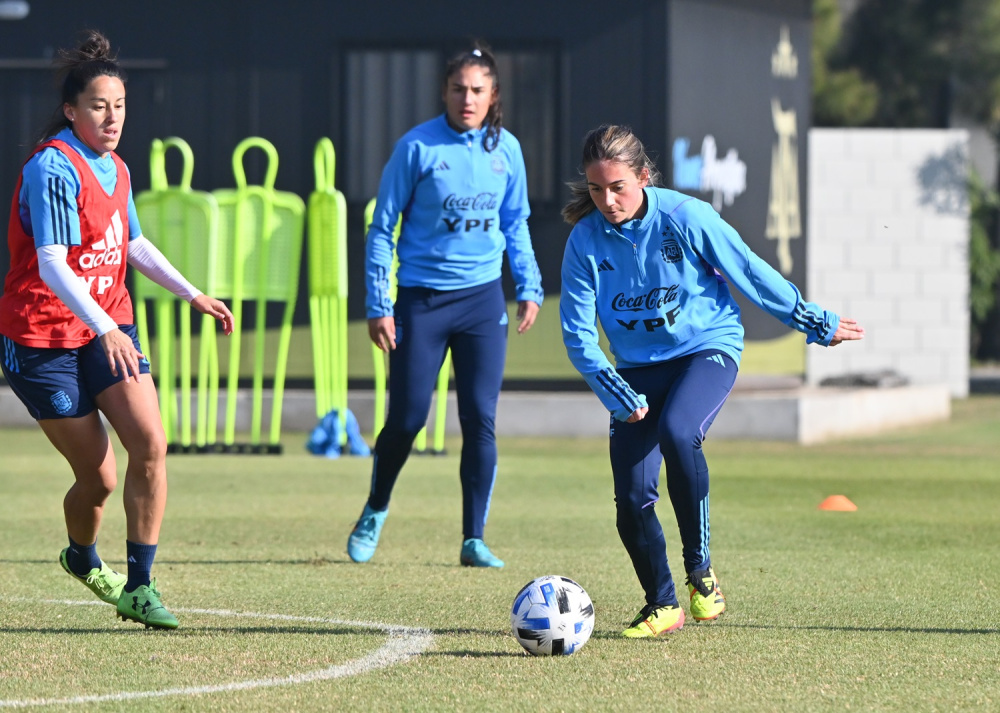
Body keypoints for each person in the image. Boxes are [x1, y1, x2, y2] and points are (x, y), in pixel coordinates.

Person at [559, 125, 864, 638]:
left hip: (706, 349)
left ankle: (701, 573)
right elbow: (577, 335)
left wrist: (813, 321)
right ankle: (662, 605)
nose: (606, 201)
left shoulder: (685, 217)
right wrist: (616, 391)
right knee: (631, 499)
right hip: (634, 372)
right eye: (595, 189)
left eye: (617, 188)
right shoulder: (584, 241)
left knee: (680, 432)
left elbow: (748, 270)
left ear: (644, 177)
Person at [0, 31, 234, 630]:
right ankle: (81, 556)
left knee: (151, 445)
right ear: (72, 111)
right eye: (99, 106)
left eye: (120, 106)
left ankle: (140, 585)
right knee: (99, 479)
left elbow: (131, 244)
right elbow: (52, 261)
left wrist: (192, 293)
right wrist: (105, 326)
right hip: (43, 336)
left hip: (108, 327)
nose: (111, 117)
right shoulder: (53, 167)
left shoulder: (118, 167)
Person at [350, 42, 544, 568]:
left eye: (477, 90)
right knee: (408, 417)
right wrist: (378, 301)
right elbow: (382, 226)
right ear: (444, 91)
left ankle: (473, 538)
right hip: (421, 302)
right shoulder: (416, 148)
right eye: (458, 88)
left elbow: (515, 223)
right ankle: (375, 506)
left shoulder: (509, 151)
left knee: (480, 418)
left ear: (493, 95)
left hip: (483, 302)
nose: (467, 98)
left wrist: (528, 284)